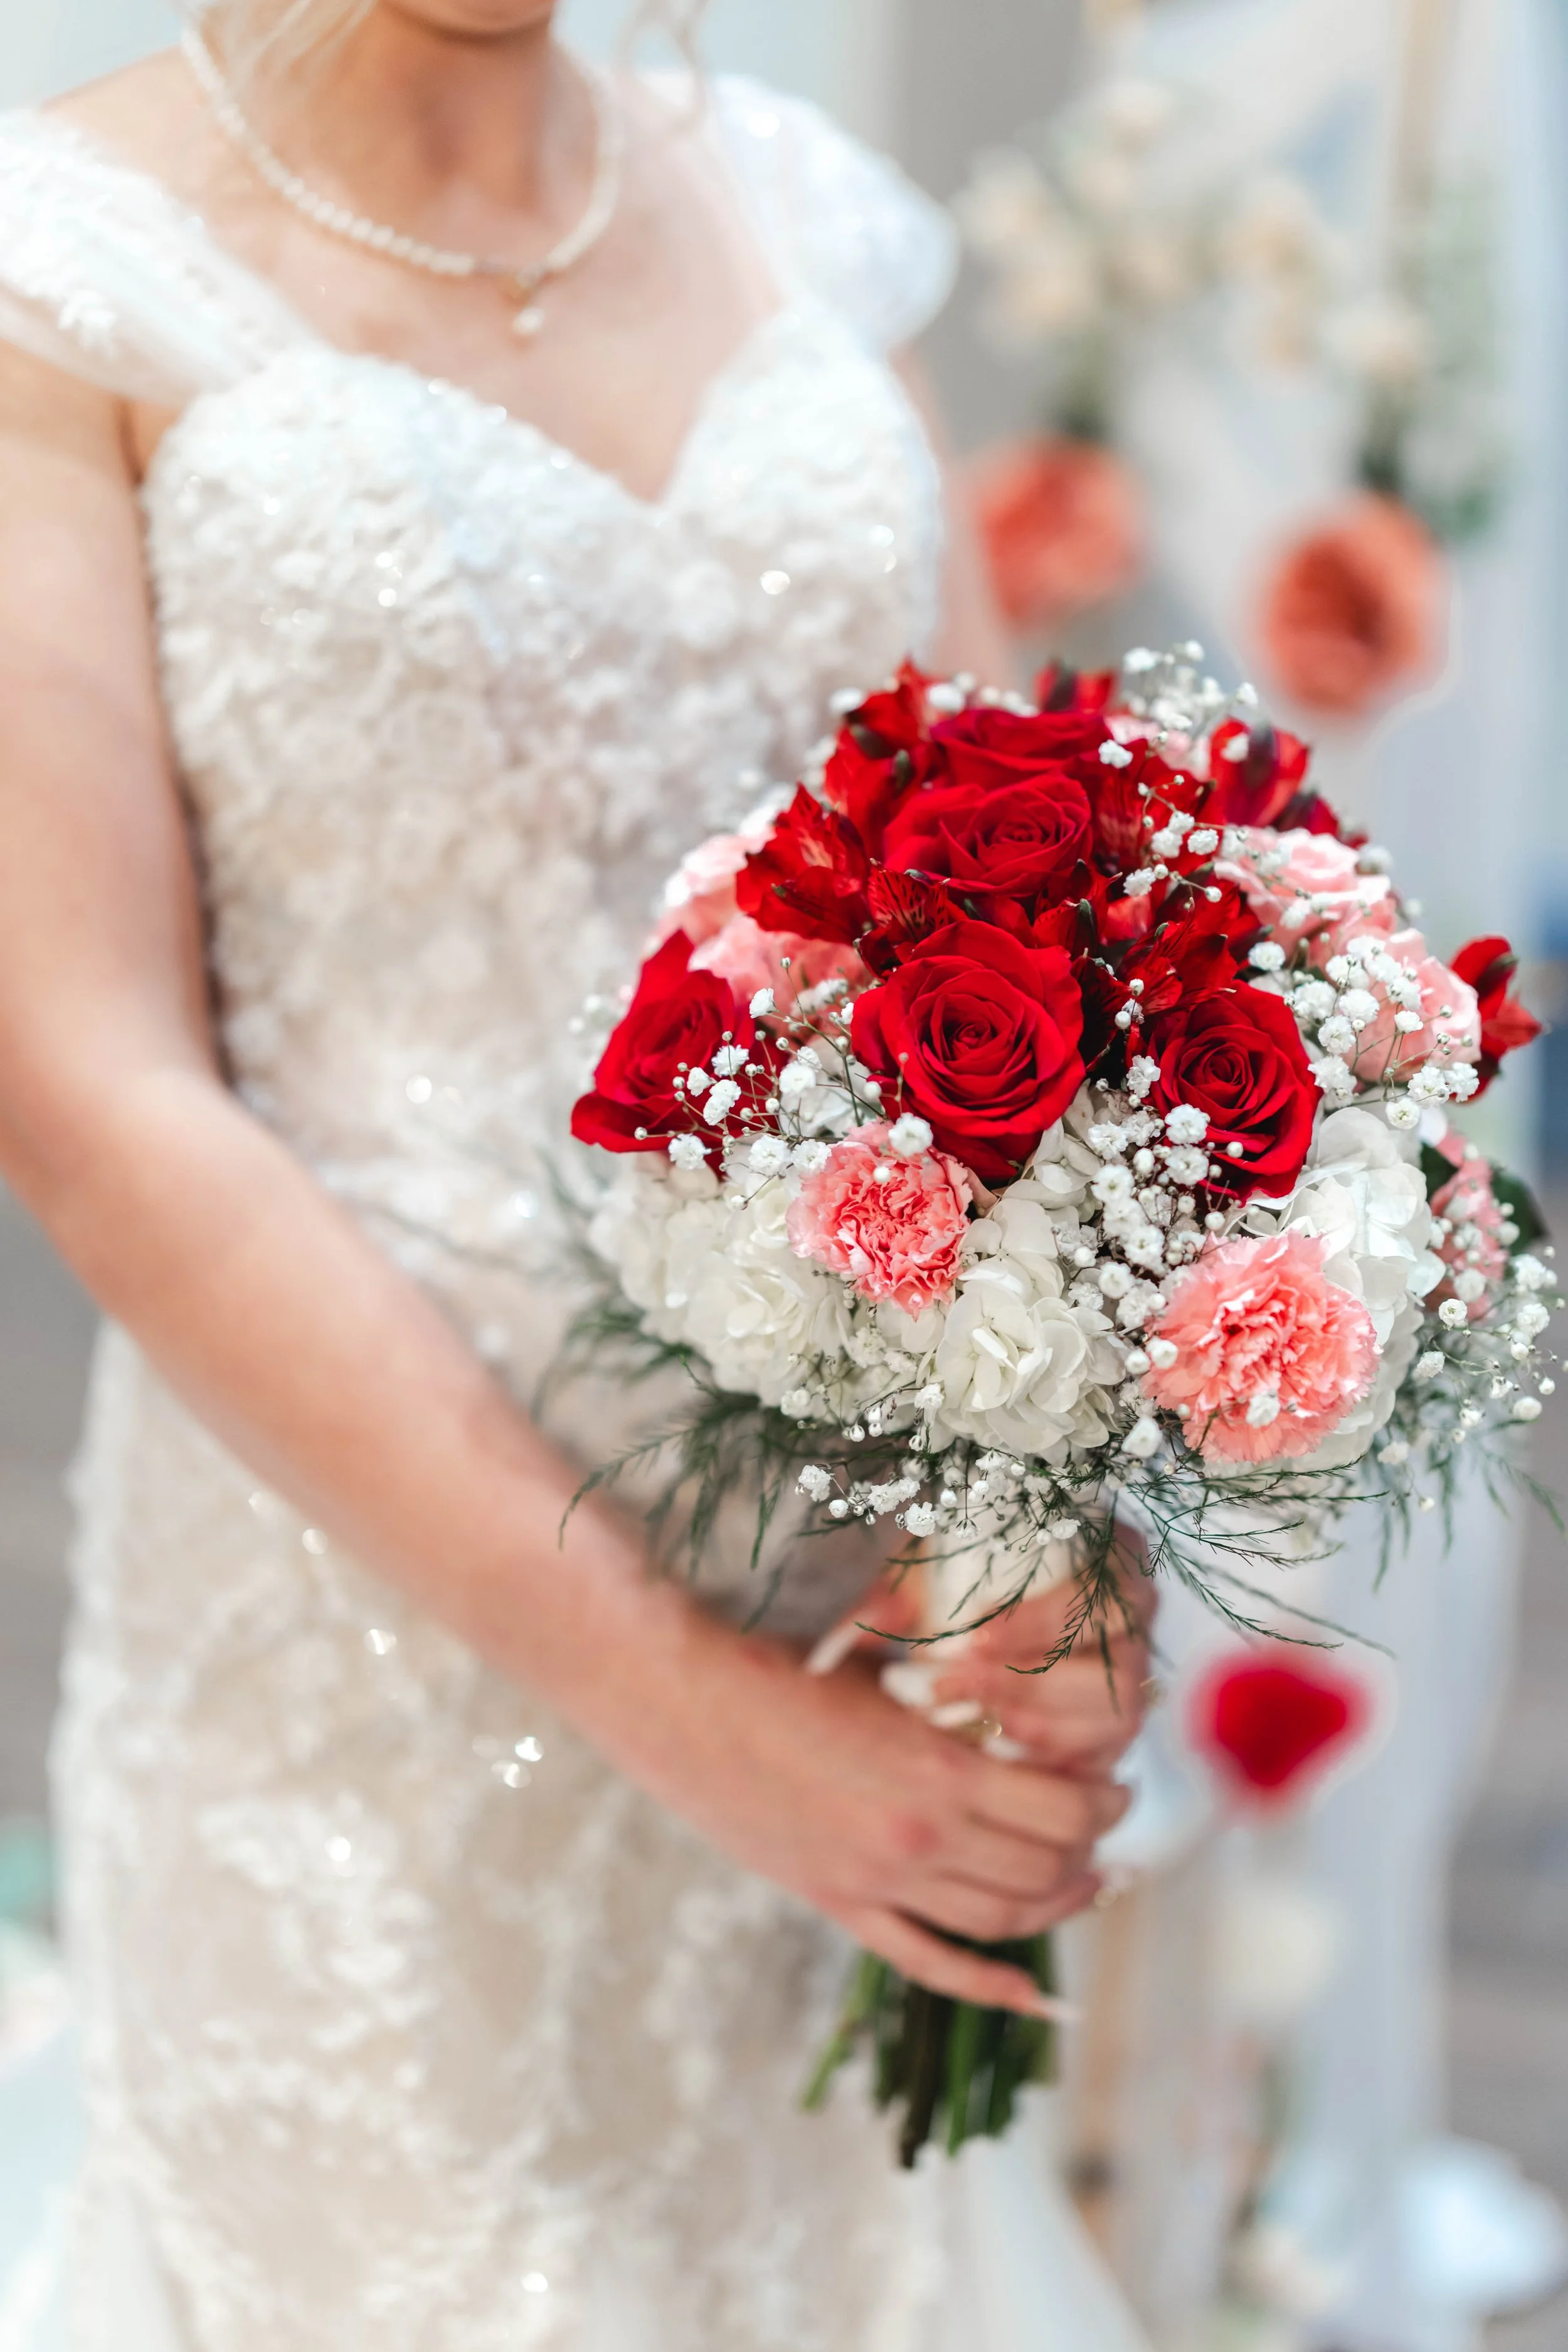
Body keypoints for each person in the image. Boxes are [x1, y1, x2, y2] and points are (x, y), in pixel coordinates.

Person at [0, 4, 1155, 2343]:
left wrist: (1051, 1504)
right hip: (362, 1682)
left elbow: (1032, 914)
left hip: (851, 1622)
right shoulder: (69, 265)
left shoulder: (802, 210)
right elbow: (88, 1086)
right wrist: (692, 1714)